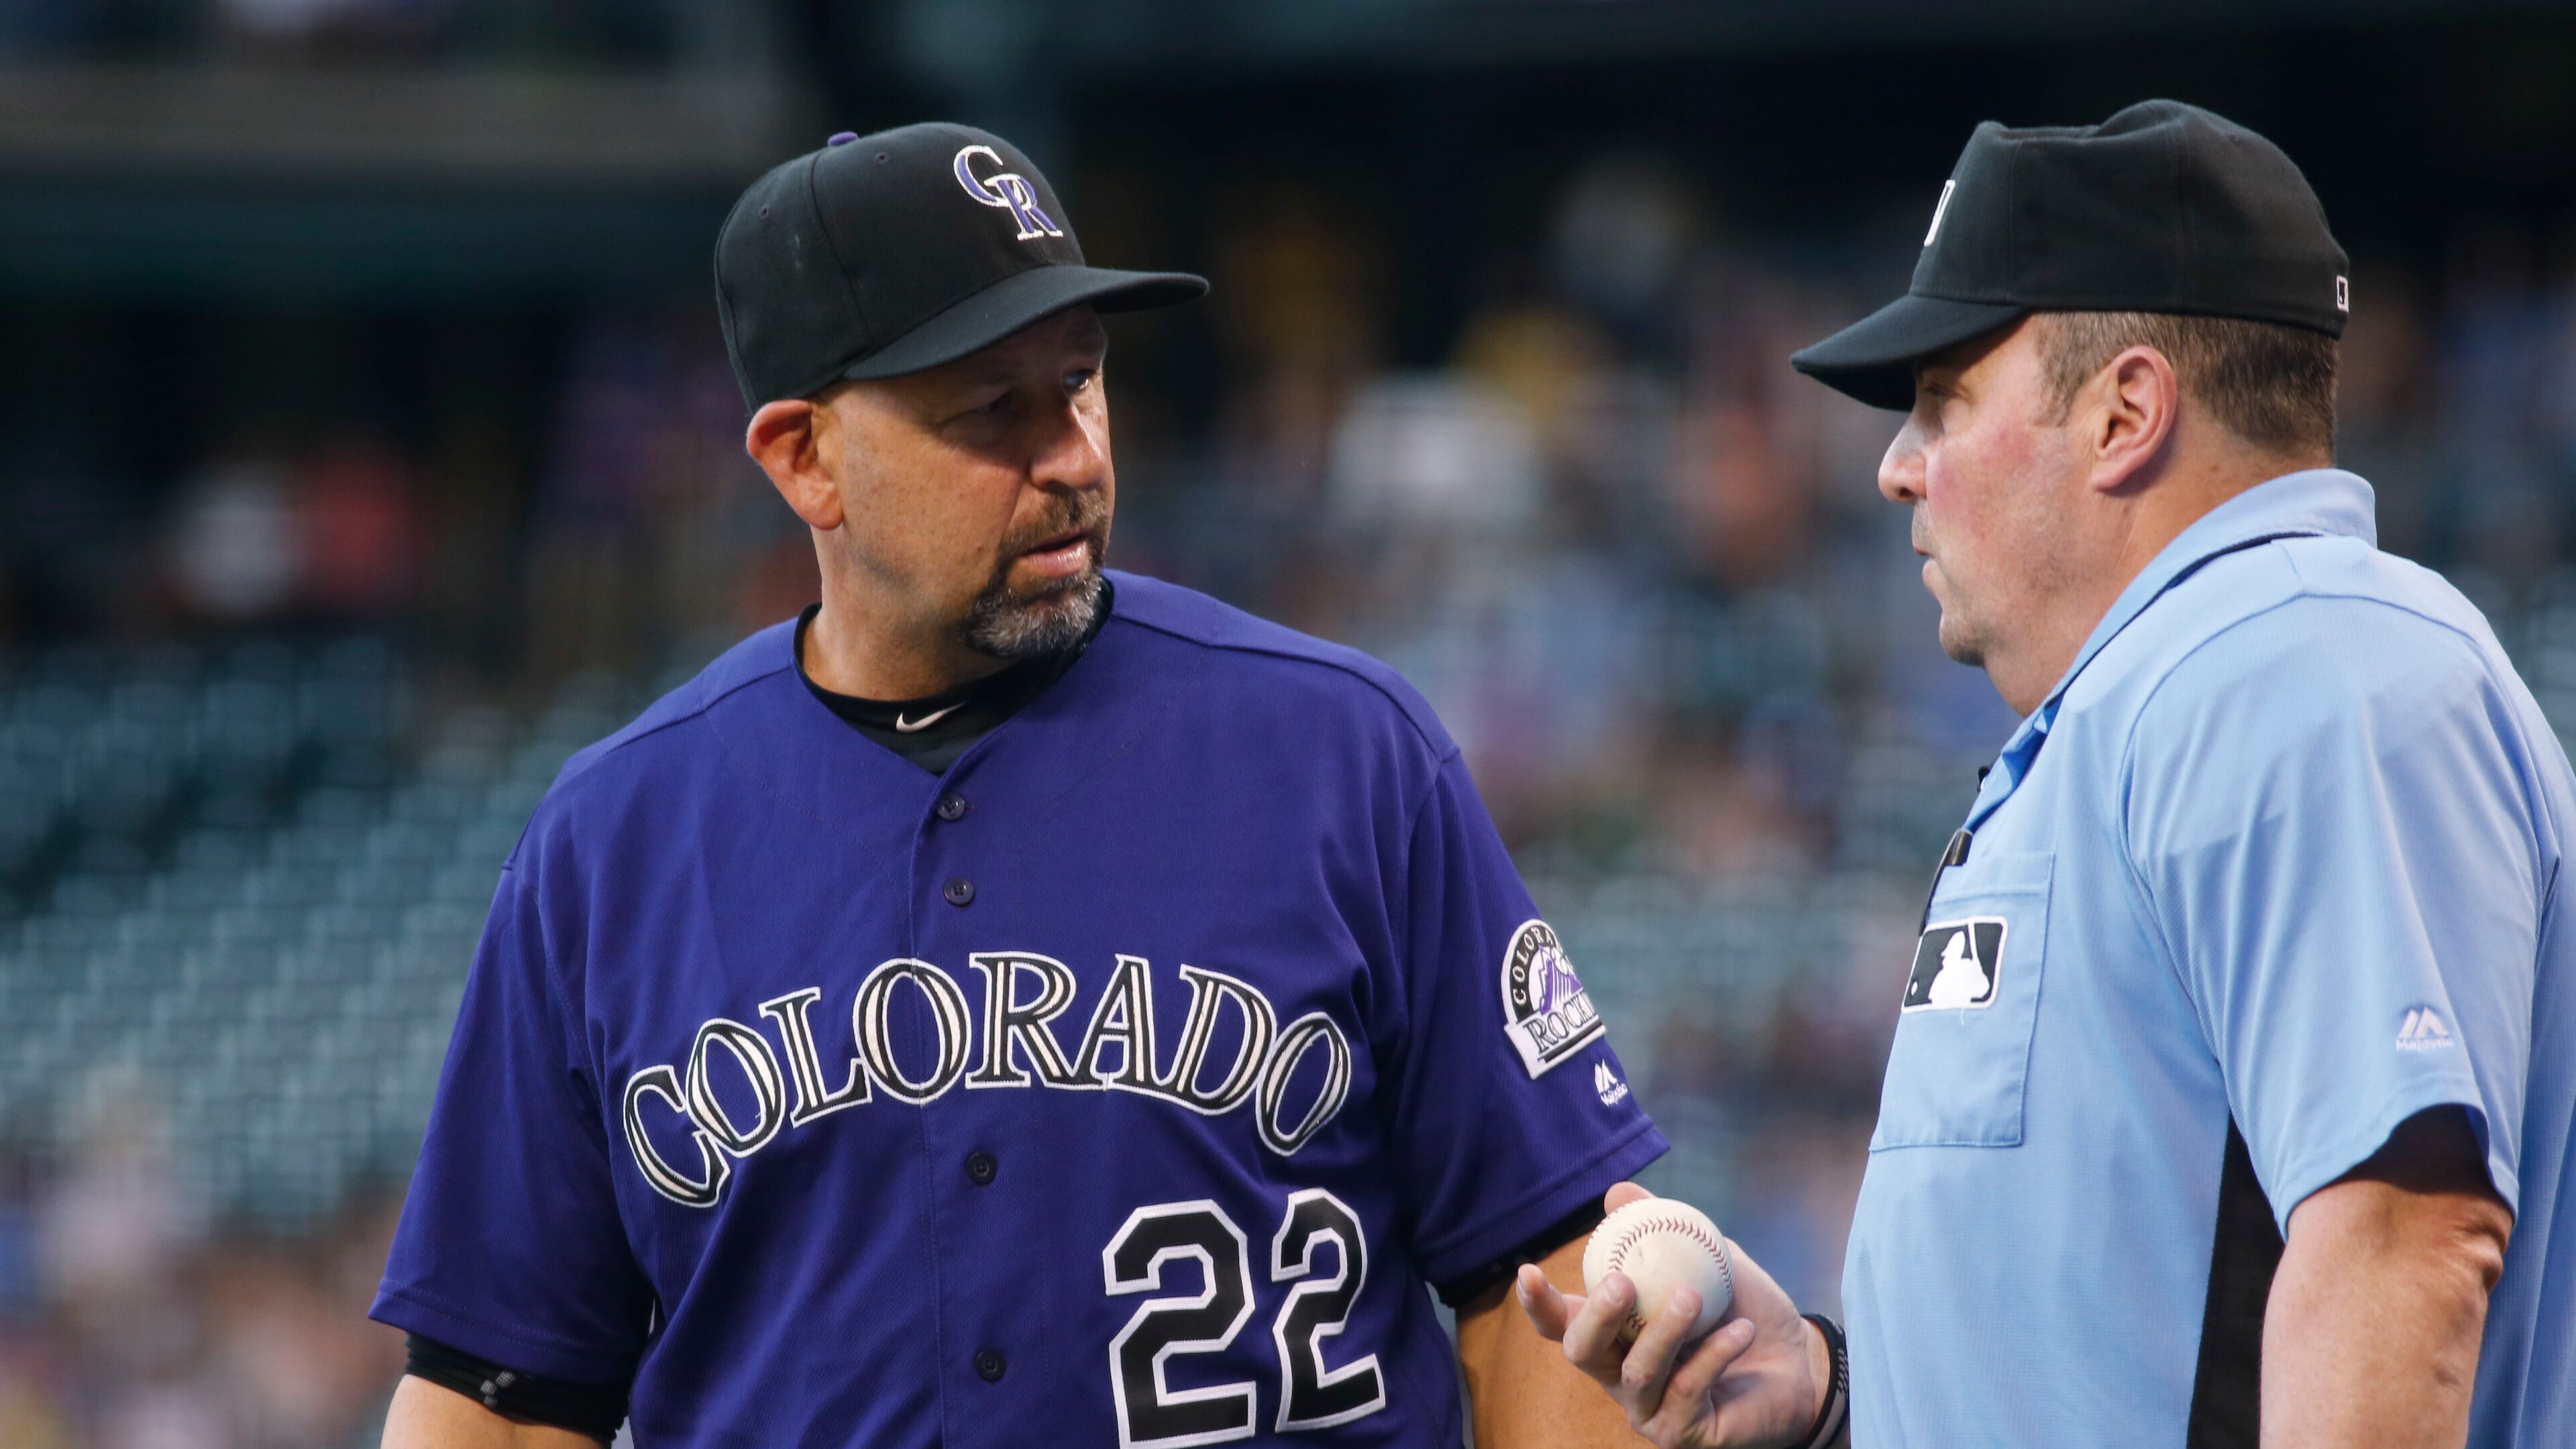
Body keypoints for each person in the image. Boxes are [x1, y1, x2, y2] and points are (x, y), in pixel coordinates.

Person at [369, 121, 1671, 1448]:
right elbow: (506, 1396)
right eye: (993, 408)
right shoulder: (611, 844)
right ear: (803, 457)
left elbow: (1550, 1275)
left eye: (1082, 381)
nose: (1074, 458)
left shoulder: (1342, 751)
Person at [1519, 99, 2573, 1448]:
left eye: (1945, 401)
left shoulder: (2306, 663)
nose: (1897, 468)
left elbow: (2400, 1237)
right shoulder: (2160, 699)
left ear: (2126, 412)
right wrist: (1845, 1396)